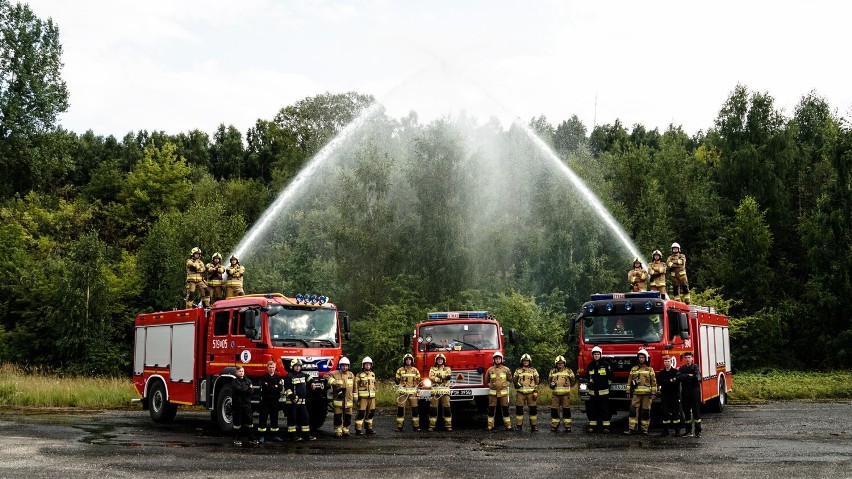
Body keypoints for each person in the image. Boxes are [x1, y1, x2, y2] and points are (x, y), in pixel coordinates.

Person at [625, 348, 656, 435]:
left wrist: (654, 393)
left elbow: (653, 382)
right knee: (633, 411)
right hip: (636, 394)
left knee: (646, 412)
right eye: (640, 357)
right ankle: (632, 428)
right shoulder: (633, 369)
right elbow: (629, 381)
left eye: (643, 357)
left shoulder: (650, 369)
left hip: (647, 395)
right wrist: (628, 391)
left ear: (646, 358)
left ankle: (644, 430)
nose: (641, 359)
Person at [284, 359, 316, 441]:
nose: (298, 368)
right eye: (296, 366)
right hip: (292, 402)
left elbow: (309, 377)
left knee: (305, 418)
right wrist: (292, 397)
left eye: (299, 366)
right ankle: (292, 436)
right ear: (292, 366)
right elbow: (287, 389)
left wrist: (312, 382)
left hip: (302, 402)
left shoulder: (303, 375)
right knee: (292, 419)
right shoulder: (289, 376)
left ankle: (306, 435)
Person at [585, 346, 612, 433]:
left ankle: (606, 427)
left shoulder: (606, 364)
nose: (596, 356)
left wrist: (606, 385)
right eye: (595, 354)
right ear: (592, 355)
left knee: (604, 410)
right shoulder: (590, 366)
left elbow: (610, 377)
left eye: (598, 354)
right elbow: (587, 377)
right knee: (592, 410)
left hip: (604, 392)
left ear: (601, 355)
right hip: (593, 393)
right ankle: (592, 426)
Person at [326, 356, 356, 437]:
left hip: (349, 401)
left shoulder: (351, 375)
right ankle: (338, 430)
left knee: (348, 417)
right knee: (338, 417)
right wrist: (334, 382)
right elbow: (325, 375)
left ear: (348, 366)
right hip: (338, 401)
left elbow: (355, 387)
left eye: (346, 365)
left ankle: (346, 430)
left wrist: (355, 397)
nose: (344, 367)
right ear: (340, 366)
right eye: (343, 365)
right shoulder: (335, 373)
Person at [257, 361, 284, 443]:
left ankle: (275, 435)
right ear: (267, 368)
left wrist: (269, 386)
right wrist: (274, 386)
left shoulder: (278, 377)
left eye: (273, 367)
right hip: (265, 400)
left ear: (275, 368)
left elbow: (279, 389)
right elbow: (265, 388)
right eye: (270, 367)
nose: (271, 369)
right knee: (263, 418)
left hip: (274, 400)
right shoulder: (264, 377)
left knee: (274, 418)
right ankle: (261, 436)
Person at [485, 351, 512, 431]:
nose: (497, 360)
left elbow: (510, 379)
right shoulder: (490, 370)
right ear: (494, 360)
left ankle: (508, 426)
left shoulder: (506, 369)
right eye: (496, 359)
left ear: (501, 360)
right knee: (491, 410)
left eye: (499, 359)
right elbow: (487, 380)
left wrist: (505, 385)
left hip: (503, 394)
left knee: (505, 410)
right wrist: (490, 385)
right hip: (493, 394)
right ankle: (490, 426)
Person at [513, 353, 540, 431]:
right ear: (522, 361)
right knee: (519, 409)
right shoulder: (518, 370)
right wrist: (516, 384)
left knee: (533, 410)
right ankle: (519, 426)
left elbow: (537, 381)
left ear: (529, 361)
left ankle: (533, 426)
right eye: (524, 361)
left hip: (531, 394)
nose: (525, 362)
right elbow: (514, 380)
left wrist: (536, 391)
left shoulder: (533, 370)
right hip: (520, 393)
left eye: (527, 361)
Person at [548, 355, 576, 432]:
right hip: (555, 395)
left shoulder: (569, 371)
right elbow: (549, 381)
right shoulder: (552, 371)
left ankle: (567, 426)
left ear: (564, 363)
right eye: (558, 363)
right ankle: (554, 426)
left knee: (566, 410)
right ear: (556, 364)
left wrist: (568, 387)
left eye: (562, 363)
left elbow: (573, 380)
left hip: (565, 395)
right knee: (554, 410)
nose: (560, 364)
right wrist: (551, 385)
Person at [677, 351, 702, 437]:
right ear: (684, 359)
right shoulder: (682, 368)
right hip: (685, 392)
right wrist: (688, 375)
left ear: (692, 358)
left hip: (694, 392)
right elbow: (678, 377)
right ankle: (688, 431)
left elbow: (697, 377)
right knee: (686, 411)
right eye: (686, 358)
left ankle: (698, 431)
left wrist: (685, 376)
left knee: (696, 411)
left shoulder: (695, 367)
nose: (687, 359)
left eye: (689, 358)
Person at [395, 353, 421, 432]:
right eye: (407, 359)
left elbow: (418, 381)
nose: (408, 361)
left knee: (415, 410)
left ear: (412, 361)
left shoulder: (415, 370)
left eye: (410, 359)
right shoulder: (400, 370)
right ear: (404, 361)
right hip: (402, 393)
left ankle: (416, 426)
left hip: (412, 393)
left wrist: (417, 391)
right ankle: (399, 426)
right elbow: (397, 380)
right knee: (400, 410)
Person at [657, 354, 682, 437]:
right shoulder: (661, 373)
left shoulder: (675, 372)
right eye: (665, 361)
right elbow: (660, 382)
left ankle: (677, 431)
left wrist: (667, 382)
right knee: (665, 413)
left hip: (674, 395)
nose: (666, 363)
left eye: (668, 361)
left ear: (671, 362)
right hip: (665, 395)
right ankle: (665, 431)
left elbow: (676, 382)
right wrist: (670, 381)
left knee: (675, 413)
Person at [231, 365, 256, 446]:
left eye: (242, 371)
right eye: (240, 371)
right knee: (237, 423)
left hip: (247, 405)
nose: (241, 373)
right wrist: (247, 388)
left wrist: (247, 389)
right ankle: (236, 439)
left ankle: (251, 439)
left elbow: (251, 391)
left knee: (249, 422)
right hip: (237, 405)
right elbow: (239, 390)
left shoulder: (247, 380)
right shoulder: (234, 381)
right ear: (236, 372)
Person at [428, 354, 452, 432]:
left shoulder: (447, 368)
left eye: (441, 359)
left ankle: (448, 425)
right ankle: (432, 425)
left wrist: (437, 376)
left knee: (446, 408)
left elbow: (448, 376)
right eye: (438, 359)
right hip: (435, 392)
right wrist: (442, 378)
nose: (440, 361)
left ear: (444, 360)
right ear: (436, 360)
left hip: (445, 392)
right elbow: (431, 378)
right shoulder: (432, 369)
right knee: (433, 409)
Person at [354, 356, 377, 435]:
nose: (367, 366)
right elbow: (355, 386)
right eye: (366, 364)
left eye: (369, 365)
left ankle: (368, 428)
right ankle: (358, 429)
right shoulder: (359, 375)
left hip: (372, 398)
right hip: (363, 398)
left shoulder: (373, 374)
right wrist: (356, 397)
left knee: (371, 413)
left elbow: (374, 385)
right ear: (363, 365)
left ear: (371, 365)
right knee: (361, 413)